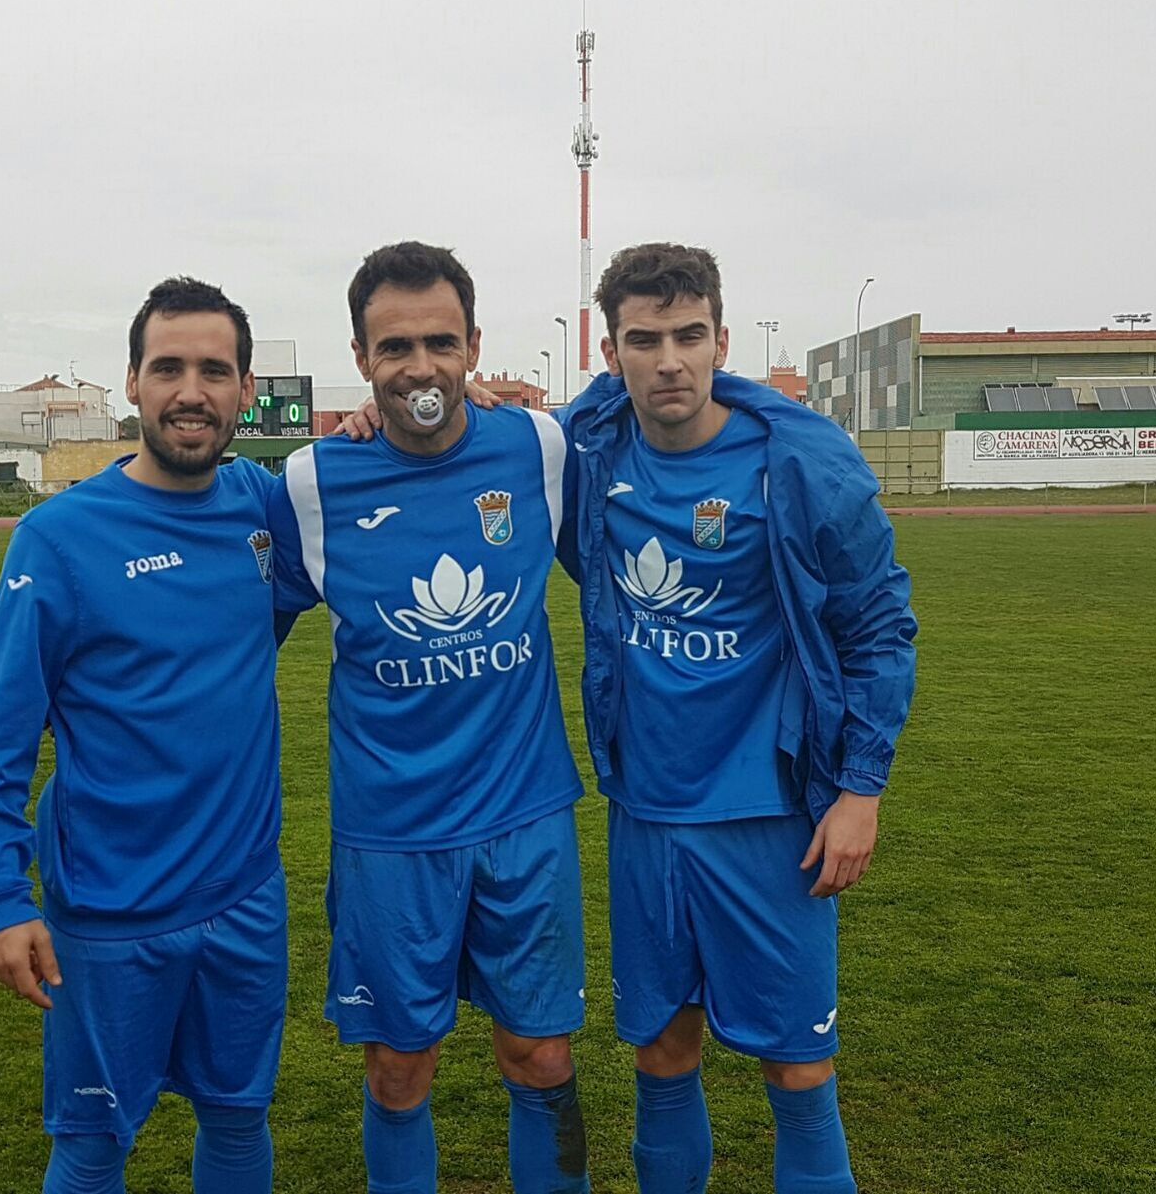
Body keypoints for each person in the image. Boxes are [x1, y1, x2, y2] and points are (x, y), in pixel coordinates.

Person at [555, 242, 918, 1194]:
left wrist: (861, 791)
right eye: (644, 339)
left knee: (797, 1067)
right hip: (648, 813)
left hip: (770, 819)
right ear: (611, 347)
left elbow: (880, 625)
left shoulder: (798, 460)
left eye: (688, 335)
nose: (668, 359)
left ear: (720, 336)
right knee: (662, 1053)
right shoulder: (592, 455)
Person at [0, 276, 288, 1194]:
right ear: (133, 382)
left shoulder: (264, 509)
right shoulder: (57, 538)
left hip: (247, 894)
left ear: (246, 391)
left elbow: (385, 477)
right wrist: (0, 898)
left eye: (215, 370)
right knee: (95, 1143)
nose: (192, 390)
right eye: (168, 366)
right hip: (109, 916)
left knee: (238, 1115)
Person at [267, 241, 591, 1194]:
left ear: (475, 347)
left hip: (524, 816)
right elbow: (235, 625)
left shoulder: (539, 445)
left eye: (441, 342)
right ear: (362, 359)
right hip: (391, 834)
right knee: (398, 1068)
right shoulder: (310, 484)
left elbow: (672, 410)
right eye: (396, 346)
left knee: (541, 1056)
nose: (421, 367)